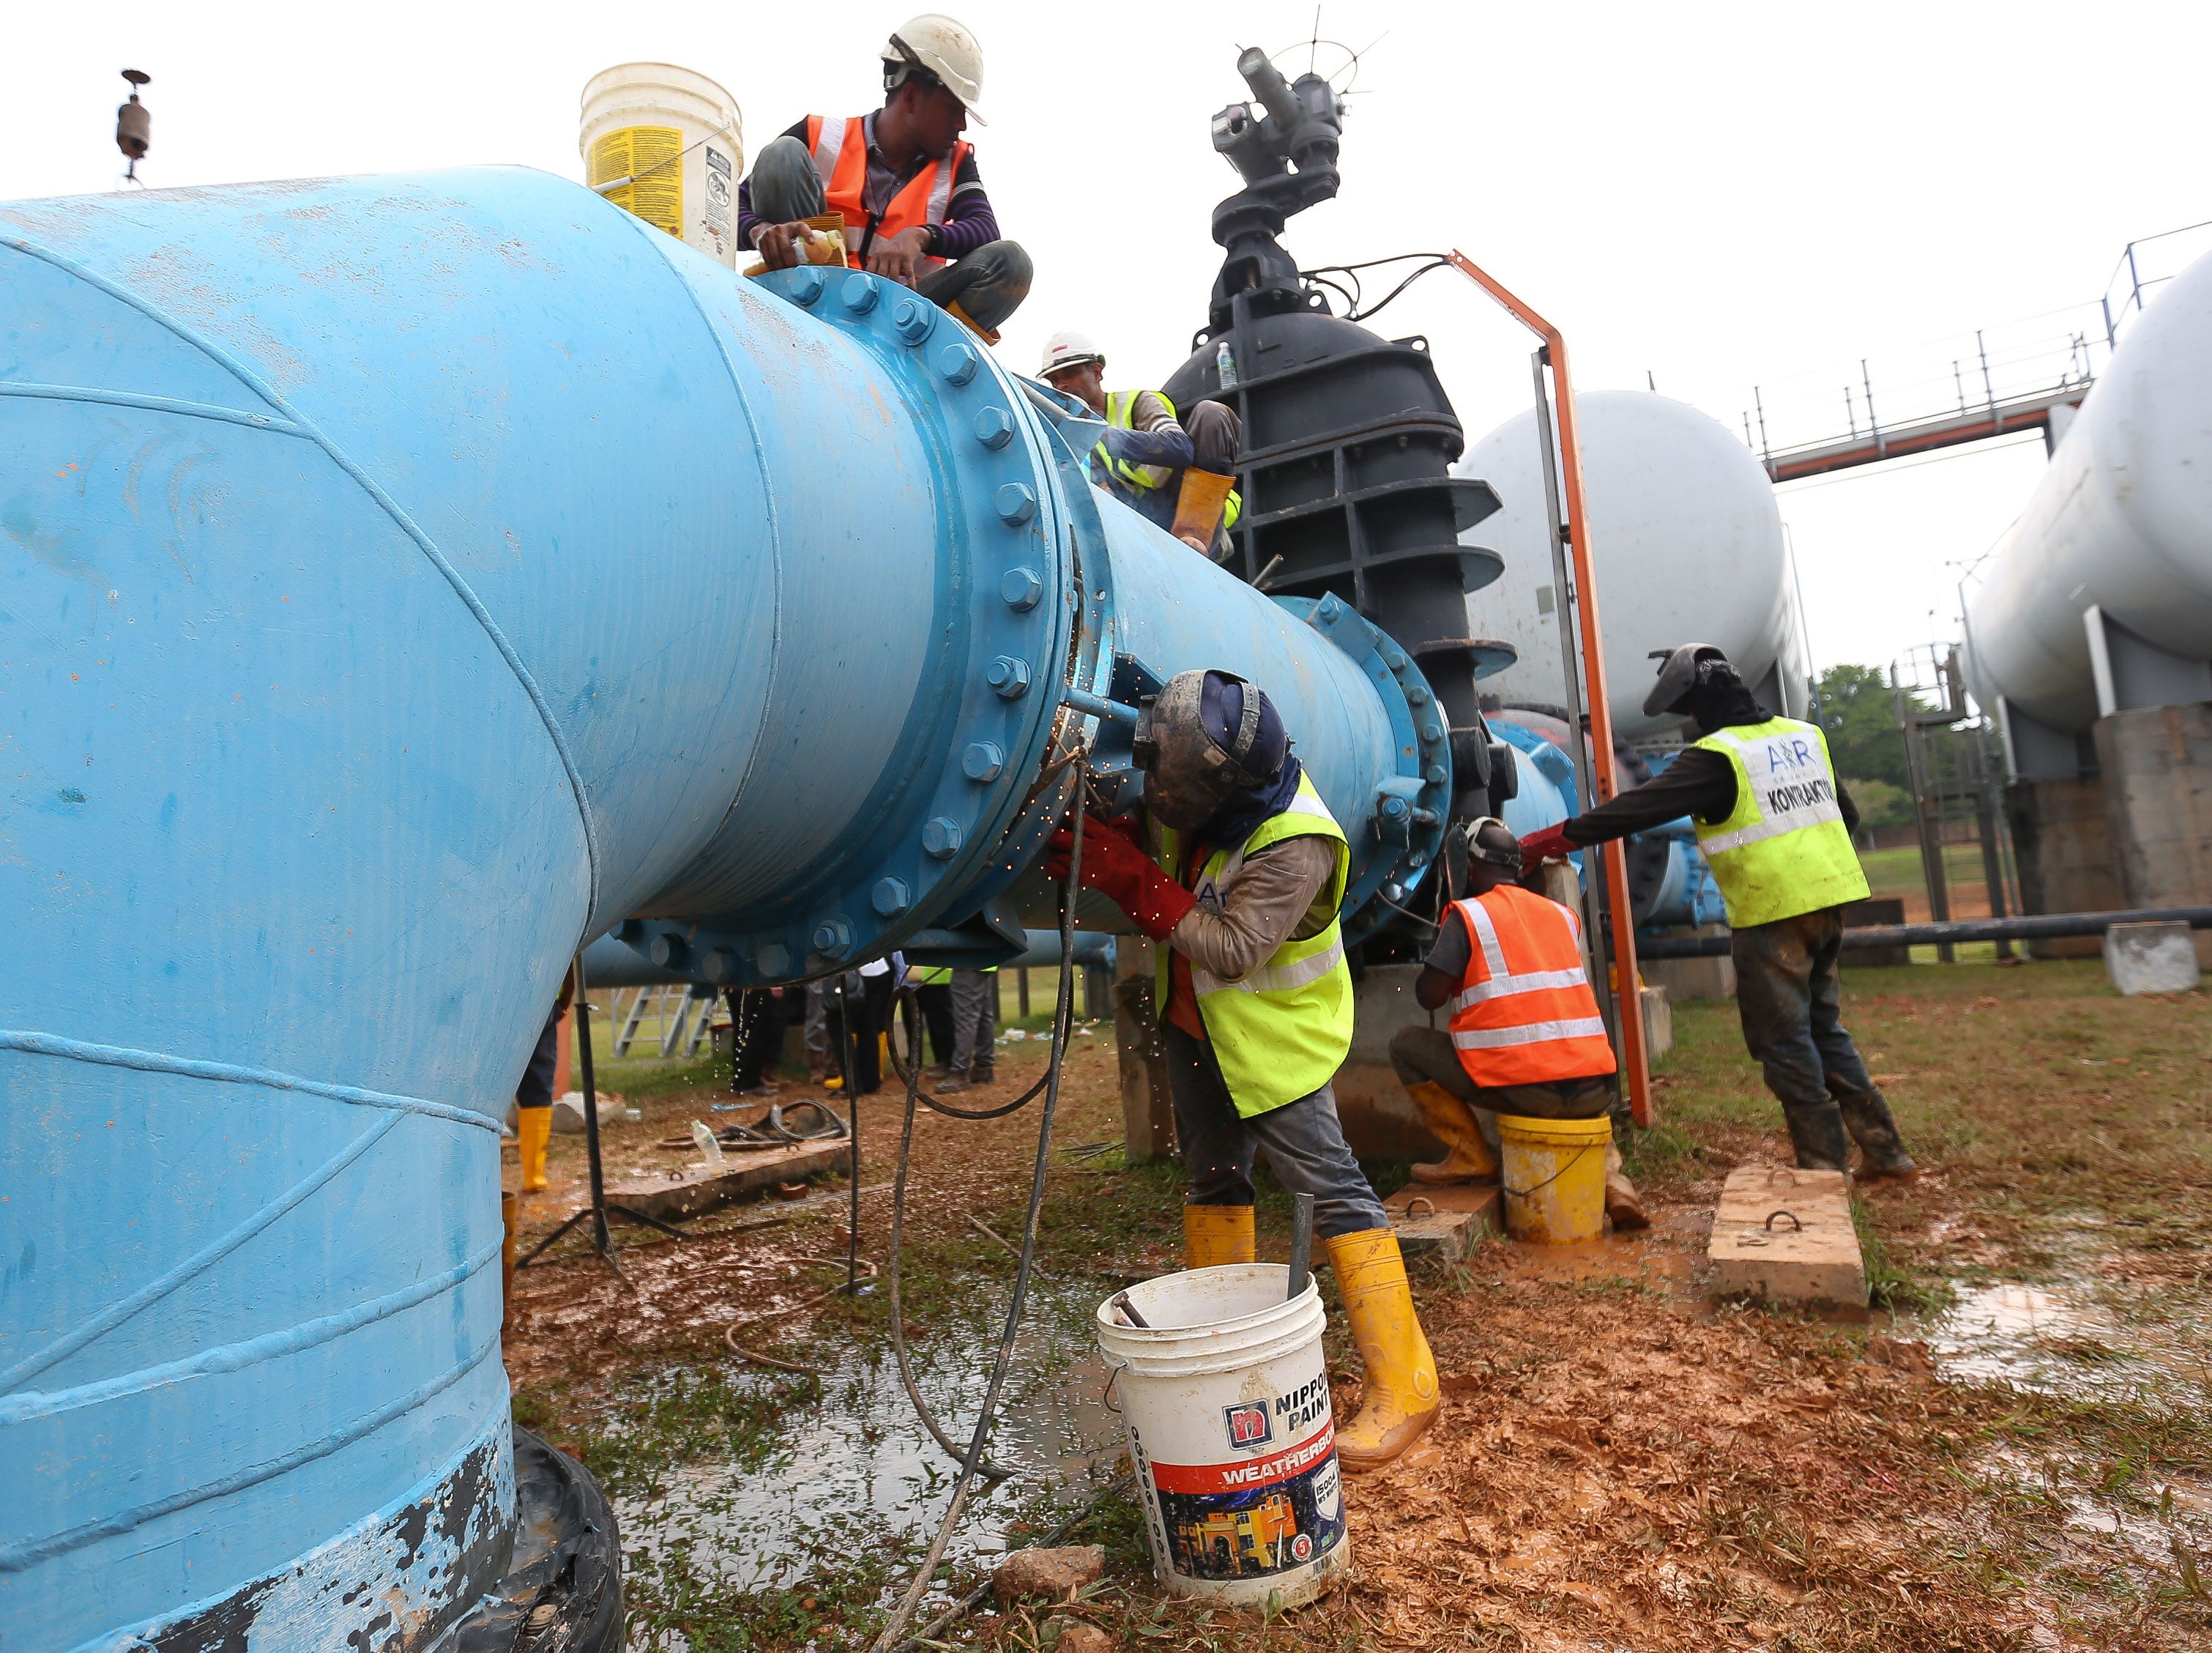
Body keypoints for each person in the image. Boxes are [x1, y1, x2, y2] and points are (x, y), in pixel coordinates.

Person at [1047, 669, 1439, 1471]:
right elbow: (1166, 826)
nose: (1158, 794)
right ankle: (1224, 1357)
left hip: (1273, 1043)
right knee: (1215, 1181)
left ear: (1220, 788)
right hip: (1198, 1026)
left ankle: (1408, 1387)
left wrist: (1127, 874)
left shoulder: (1295, 842)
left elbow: (1232, 949)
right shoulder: (1200, 766)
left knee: (1334, 1192)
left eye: (1169, 788)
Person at [1519, 644, 1918, 1179]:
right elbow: (1846, 815)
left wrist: (1549, 839)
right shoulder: (1804, 736)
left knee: (1783, 1039)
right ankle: (1887, 1153)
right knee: (1824, 1026)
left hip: (1772, 911)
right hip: (1828, 902)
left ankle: (1823, 1167)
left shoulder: (1719, 756)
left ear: (1698, 705)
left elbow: (1635, 809)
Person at [1387, 818, 1649, 1229]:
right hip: (1597, 1089)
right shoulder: (1562, 915)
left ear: (1468, 866)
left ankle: (1470, 1156)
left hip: (1529, 1090)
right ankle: (1613, 1180)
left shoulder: (1470, 916)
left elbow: (1429, 996)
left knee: (1406, 1044)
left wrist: (1444, 949)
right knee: (1577, 1086)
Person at [737, 15, 1032, 341]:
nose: (962, 124)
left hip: (901, 322)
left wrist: (919, 237)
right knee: (781, 155)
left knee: (1011, 264)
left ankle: (927, 352)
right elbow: (731, 206)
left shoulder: (956, 162)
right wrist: (760, 232)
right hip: (814, 297)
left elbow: (985, 231)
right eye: (953, 108)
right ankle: (797, 306)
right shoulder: (821, 136)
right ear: (911, 97)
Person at [1038, 330, 1243, 555]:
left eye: (1070, 374)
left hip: (1189, 508)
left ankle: (1194, 536)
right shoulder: (1082, 438)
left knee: (1211, 413)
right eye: (1054, 380)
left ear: (1096, 372)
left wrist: (1106, 435)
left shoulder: (1136, 404)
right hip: (1148, 524)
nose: (1062, 385)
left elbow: (1180, 448)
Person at [514, 967, 577, 1194]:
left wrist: (562, 1004)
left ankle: (533, 1177)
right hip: (539, 1002)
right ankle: (534, 1176)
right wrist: (564, 1002)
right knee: (538, 1084)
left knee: (537, 1086)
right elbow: (570, 958)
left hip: (512, 1001)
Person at [938, 965, 998, 1092]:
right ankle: (983, 1067)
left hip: (967, 960)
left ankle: (960, 1072)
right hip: (985, 961)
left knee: (966, 1018)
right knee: (983, 1014)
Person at [728, 986, 788, 1096]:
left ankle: (740, 1079)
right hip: (754, 985)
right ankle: (750, 1082)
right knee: (755, 1028)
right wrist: (772, 984)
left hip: (735, 983)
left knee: (741, 1027)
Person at [905, 962, 957, 1074]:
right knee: (934, 1021)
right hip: (929, 974)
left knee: (942, 1021)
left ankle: (948, 1062)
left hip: (938, 973)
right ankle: (942, 1061)